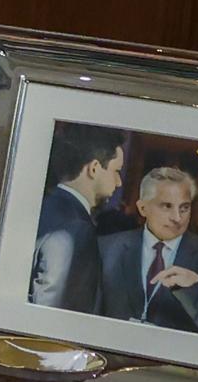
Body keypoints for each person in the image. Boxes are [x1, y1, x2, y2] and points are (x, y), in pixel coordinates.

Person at [97, 162, 198, 330]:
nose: (177, 218)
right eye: (166, 206)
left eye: (184, 208)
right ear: (142, 208)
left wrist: (193, 291)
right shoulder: (107, 248)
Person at [31, 126, 129, 307]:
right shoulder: (76, 229)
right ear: (94, 168)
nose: (119, 182)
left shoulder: (41, 205)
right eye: (116, 171)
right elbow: (54, 308)